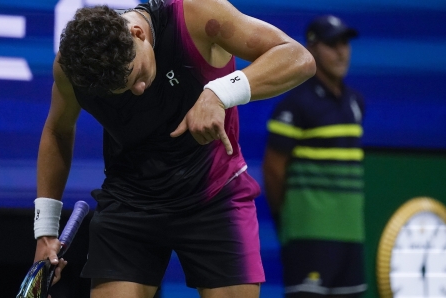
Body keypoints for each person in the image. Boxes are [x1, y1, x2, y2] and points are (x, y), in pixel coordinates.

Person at [31, 0, 316, 297]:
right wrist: (45, 231)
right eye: (125, 89)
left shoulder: (196, 15)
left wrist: (218, 93)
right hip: (130, 203)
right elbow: (58, 131)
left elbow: (298, 57)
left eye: (138, 75)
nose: (139, 90)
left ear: (138, 33)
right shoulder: (74, 68)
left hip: (214, 197)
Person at [262, 15, 367, 297]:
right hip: (308, 238)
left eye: (345, 43)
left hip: (351, 236)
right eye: (332, 44)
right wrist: (291, 220)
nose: (341, 51)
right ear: (312, 49)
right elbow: (272, 170)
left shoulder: (355, 102)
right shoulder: (295, 105)